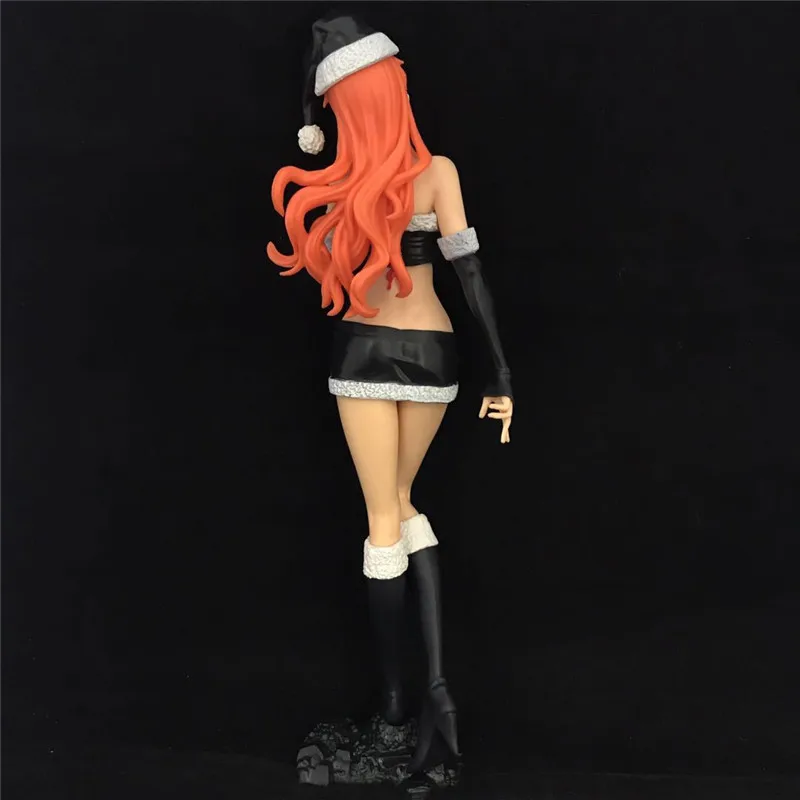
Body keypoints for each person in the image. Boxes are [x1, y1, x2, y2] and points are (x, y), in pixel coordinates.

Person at [267, 11, 514, 775]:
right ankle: (437, 694)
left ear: (345, 106)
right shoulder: (438, 172)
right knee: (405, 505)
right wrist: (501, 373)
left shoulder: (341, 184)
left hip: (367, 349)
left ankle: (398, 712)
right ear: (395, 94)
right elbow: (471, 276)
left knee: (383, 518)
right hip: (436, 353)